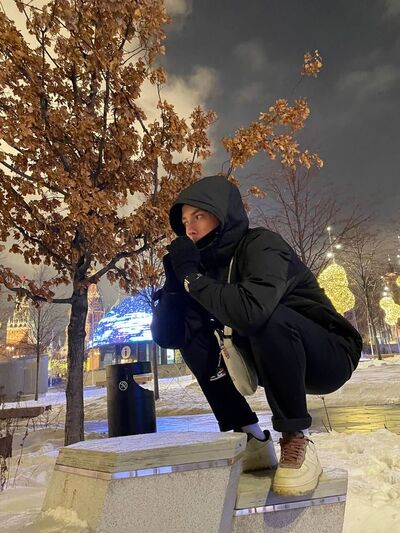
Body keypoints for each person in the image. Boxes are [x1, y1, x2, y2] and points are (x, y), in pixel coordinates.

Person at [151, 175, 362, 496]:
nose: (190, 228)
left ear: (223, 214)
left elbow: (251, 312)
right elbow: (168, 337)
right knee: (190, 331)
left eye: (199, 216)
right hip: (272, 358)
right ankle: (250, 435)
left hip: (328, 353)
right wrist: (175, 285)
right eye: (184, 221)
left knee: (265, 315)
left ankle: (296, 439)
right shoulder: (199, 267)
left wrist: (193, 279)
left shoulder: (263, 245)